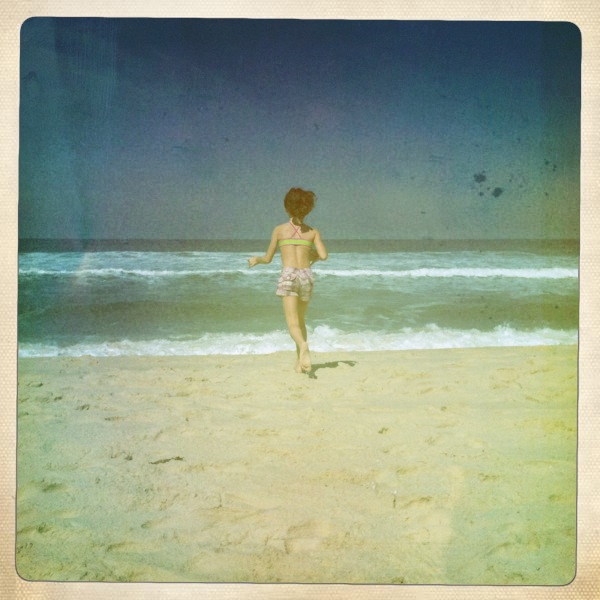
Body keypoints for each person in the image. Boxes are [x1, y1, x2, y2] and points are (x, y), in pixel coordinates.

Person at [248, 187, 328, 373]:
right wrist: (312, 256)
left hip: (289, 275)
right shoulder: (313, 232)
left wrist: (257, 260)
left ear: (287, 207)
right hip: (306, 276)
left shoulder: (279, 230)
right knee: (300, 321)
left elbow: (268, 258)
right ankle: (300, 363)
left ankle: (303, 345)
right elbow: (324, 255)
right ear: (308, 208)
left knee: (292, 323)